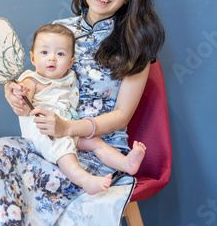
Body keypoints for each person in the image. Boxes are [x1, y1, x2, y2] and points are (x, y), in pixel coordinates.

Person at [0, 0, 165, 226]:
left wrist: (67, 127)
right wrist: (18, 97)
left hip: (98, 150)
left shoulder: (134, 44)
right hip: (47, 141)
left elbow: (122, 116)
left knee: (29, 175)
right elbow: (38, 88)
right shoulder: (57, 31)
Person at [17, 23, 147, 195]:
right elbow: (22, 108)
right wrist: (19, 94)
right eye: (44, 52)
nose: (52, 58)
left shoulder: (68, 77)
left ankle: (125, 163)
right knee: (63, 148)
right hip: (44, 131)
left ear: (71, 62)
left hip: (66, 128)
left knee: (94, 142)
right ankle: (86, 180)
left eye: (60, 54)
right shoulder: (31, 80)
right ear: (33, 59)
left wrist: (67, 128)